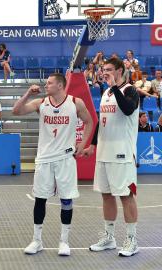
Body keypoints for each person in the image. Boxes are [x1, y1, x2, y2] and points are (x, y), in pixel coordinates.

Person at [12, 73, 93, 256]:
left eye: (49, 83)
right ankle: (37, 240)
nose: (45, 85)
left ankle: (64, 241)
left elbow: (89, 121)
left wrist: (83, 143)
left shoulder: (75, 102)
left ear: (60, 85)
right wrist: (27, 94)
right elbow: (16, 111)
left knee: (66, 199)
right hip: (44, 159)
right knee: (40, 199)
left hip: (65, 158)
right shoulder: (41, 103)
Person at [83, 57, 140, 257]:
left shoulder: (129, 90)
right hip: (103, 153)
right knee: (106, 196)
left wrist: (115, 87)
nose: (104, 72)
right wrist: (92, 145)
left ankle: (132, 240)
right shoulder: (106, 92)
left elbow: (127, 109)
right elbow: (102, 121)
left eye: (108, 69)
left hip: (123, 154)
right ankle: (109, 237)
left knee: (126, 196)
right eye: (103, 69)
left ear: (119, 70)